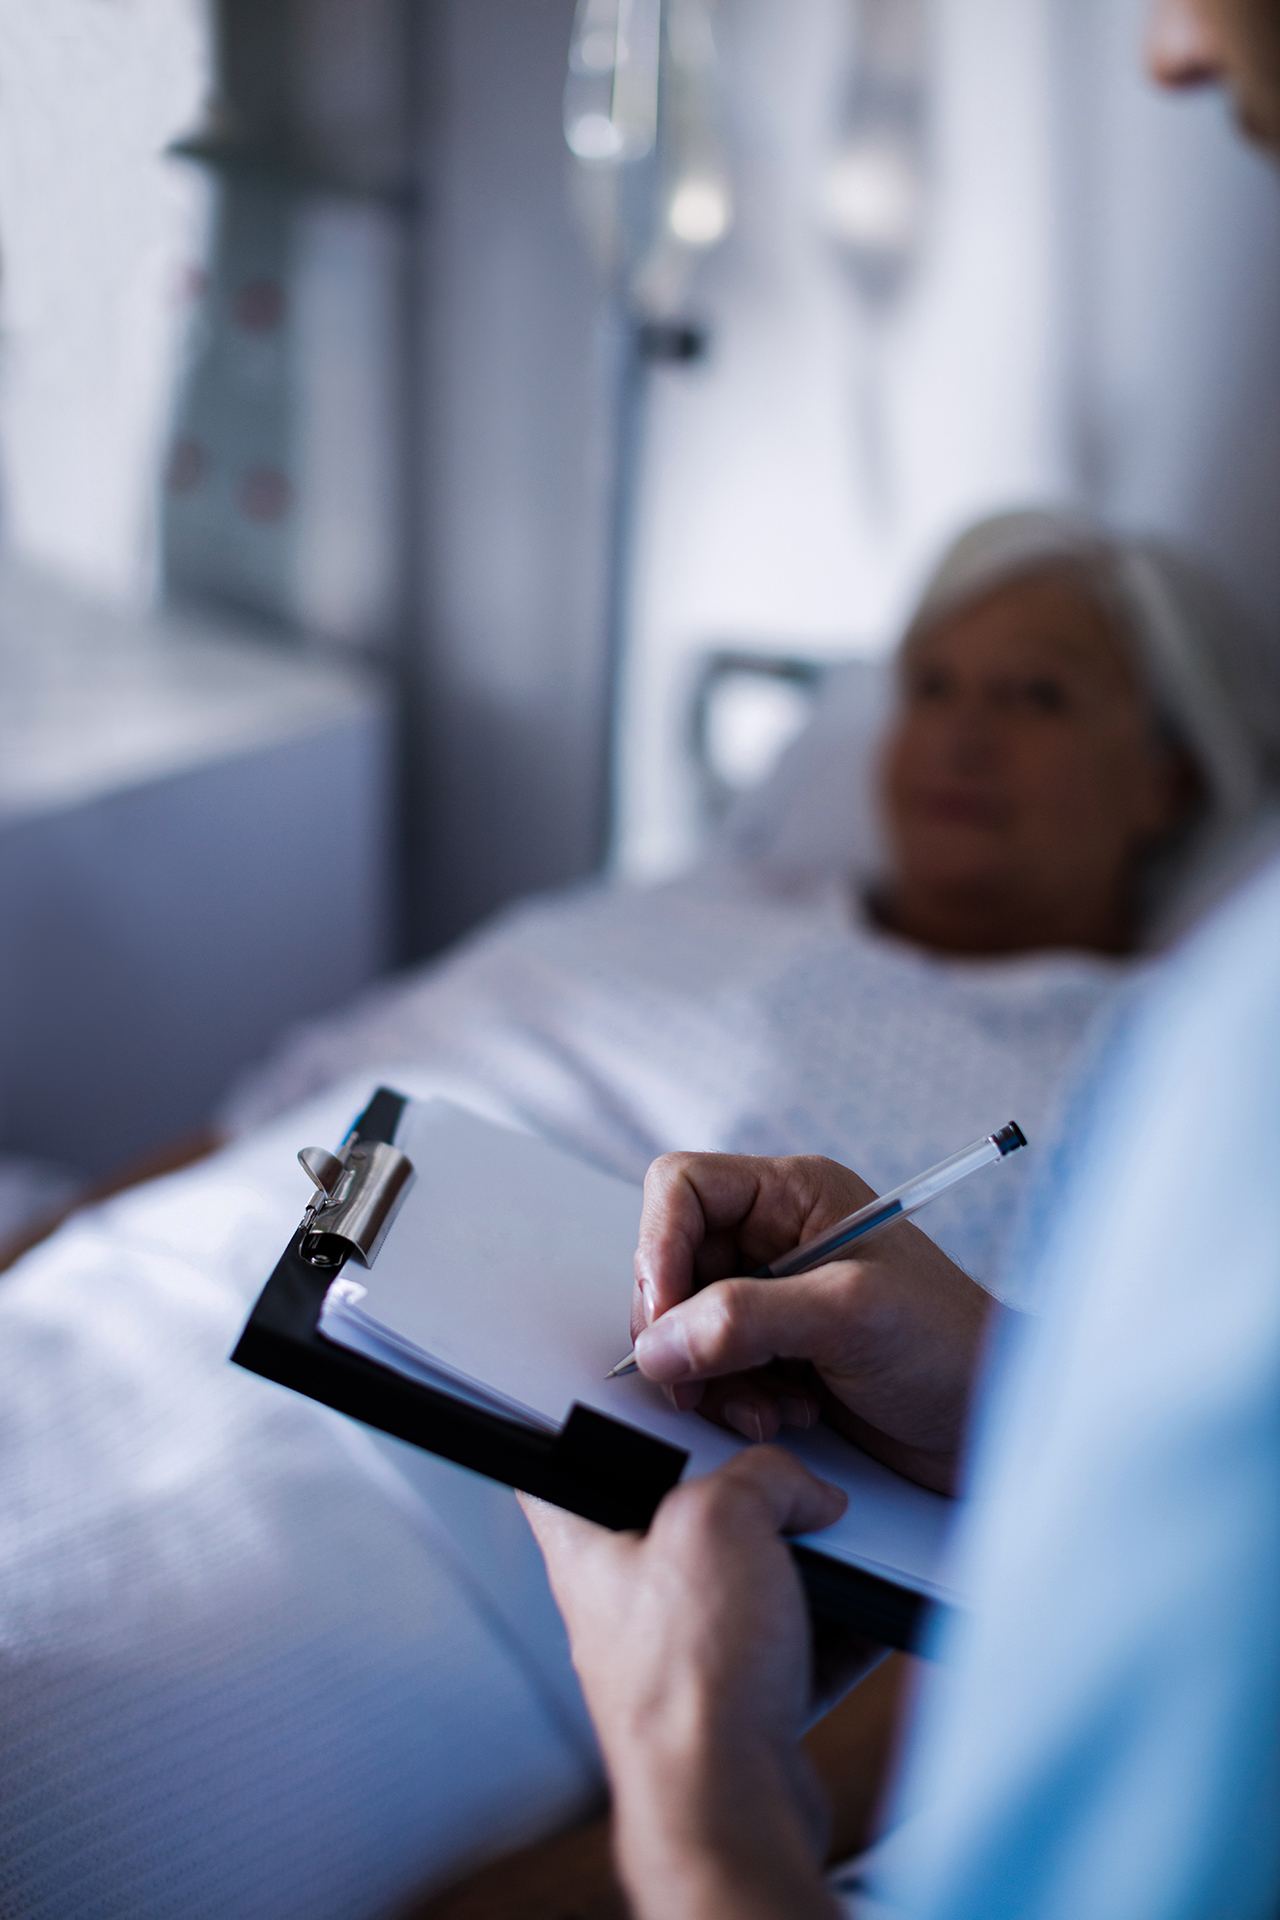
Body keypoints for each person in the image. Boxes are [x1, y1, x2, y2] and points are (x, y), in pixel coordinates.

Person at [521, 7, 1280, 1919]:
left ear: (1174, 773)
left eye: (1033, 699)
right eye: (931, 689)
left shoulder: (1201, 1069)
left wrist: (691, 1790)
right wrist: (1027, 1405)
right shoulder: (670, 922)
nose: (1173, 50)